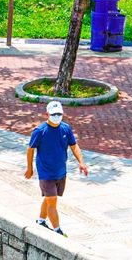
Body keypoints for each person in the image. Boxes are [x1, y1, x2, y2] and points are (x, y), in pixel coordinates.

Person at [24, 101, 89, 236]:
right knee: (52, 201)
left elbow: (74, 146)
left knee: (49, 198)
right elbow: (30, 150)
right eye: (54, 114)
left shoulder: (66, 128)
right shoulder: (40, 131)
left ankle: (41, 221)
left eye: (59, 113)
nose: (57, 116)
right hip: (46, 173)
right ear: (47, 114)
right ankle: (57, 231)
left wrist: (81, 162)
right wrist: (30, 169)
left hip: (60, 172)